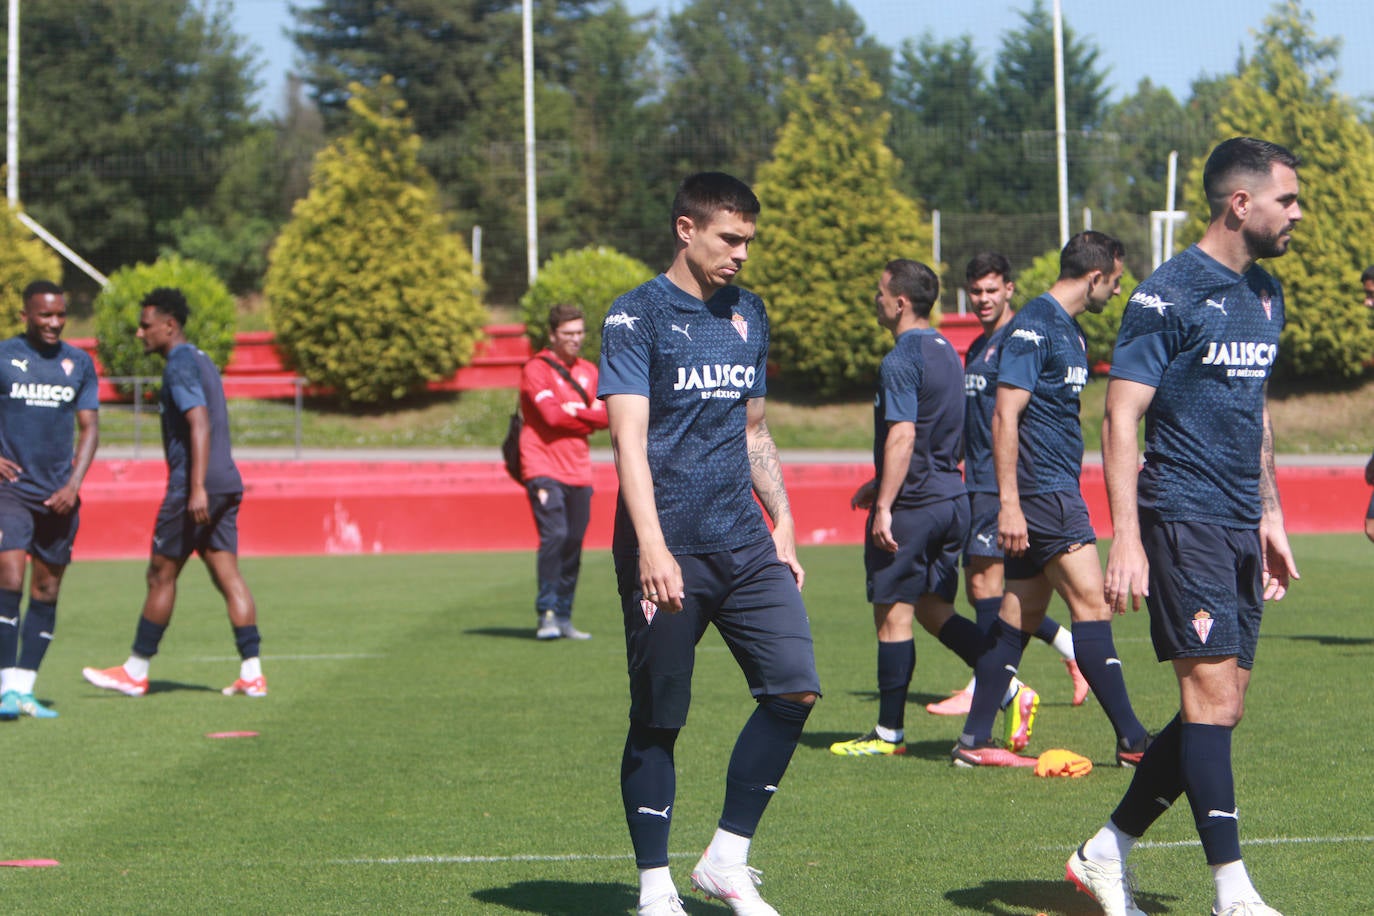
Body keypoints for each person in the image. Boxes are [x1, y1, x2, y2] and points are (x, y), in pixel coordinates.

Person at [1067, 137, 1302, 916]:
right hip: (1180, 514)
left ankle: (1106, 850)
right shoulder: (1165, 295)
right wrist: (1125, 537)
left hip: (1239, 518)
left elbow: (1253, 411)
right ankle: (1233, 894)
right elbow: (1119, 416)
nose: (1296, 214)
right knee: (1206, 694)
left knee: (1224, 702)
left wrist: (1270, 513)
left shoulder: (1266, 294)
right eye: (1287, 200)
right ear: (1242, 204)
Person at [599, 171, 820, 916]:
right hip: (667, 549)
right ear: (686, 230)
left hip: (743, 541)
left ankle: (727, 858)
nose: (743, 255)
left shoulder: (748, 313)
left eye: (749, 240)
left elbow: (753, 427)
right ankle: (655, 886)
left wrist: (781, 520)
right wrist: (653, 548)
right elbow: (627, 443)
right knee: (660, 718)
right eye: (731, 238)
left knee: (795, 685)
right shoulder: (636, 317)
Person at [950, 231, 1151, 768]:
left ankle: (973, 742)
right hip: (1043, 495)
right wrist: (1010, 503)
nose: (1118, 288)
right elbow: (1003, 414)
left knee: (1017, 616)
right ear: (1095, 276)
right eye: (1115, 279)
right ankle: (1133, 740)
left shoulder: (1069, 330)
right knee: (1092, 605)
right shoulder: (1034, 327)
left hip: (1048, 490)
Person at [828, 259, 1033, 758]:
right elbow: (943, 430)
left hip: (915, 507)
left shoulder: (901, 358)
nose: (876, 300)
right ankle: (1009, 688)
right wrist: (880, 482)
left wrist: (885, 505)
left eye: (880, 293)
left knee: (892, 617)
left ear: (900, 302)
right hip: (951, 500)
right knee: (933, 608)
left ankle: (888, 735)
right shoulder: (948, 351)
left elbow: (902, 434)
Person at [926, 253, 1090, 721]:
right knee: (994, 595)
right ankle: (1068, 651)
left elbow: (1012, 419)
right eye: (975, 291)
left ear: (1010, 289)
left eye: (991, 290)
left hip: (1006, 486)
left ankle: (992, 687)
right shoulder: (978, 347)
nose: (982, 299)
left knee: (990, 587)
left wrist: (1009, 496)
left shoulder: (1020, 340)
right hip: (975, 481)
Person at [82, 287, 265, 699]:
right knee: (226, 574)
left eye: (146, 326)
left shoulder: (180, 363)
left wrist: (195, 488)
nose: (139, 333)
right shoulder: (201, 358)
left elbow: (198, 422)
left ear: (170, 326)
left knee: (160, 574)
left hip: (195, 486)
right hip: (227, 482)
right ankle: (252, 673)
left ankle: (135, 670)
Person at [0, 281, 100, 719]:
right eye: (45, 315)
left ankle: (24, 688)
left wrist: (74, 484)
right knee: (10, 573)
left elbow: (90, 428)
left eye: (60, 314)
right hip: (10, 490)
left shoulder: (78, 363)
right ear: (26, 315)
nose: (55, 322)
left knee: (47, 588)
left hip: (59, 496)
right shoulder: (4, 356)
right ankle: (4, 687)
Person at [519, 303, 609, 640]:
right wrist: (583, 413)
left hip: (578, 470)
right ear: (552, 335)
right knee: (555, 535)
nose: (575, 339)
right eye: (567, 334)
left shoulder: (589, 370)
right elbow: (552, 418)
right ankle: (547, 613)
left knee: (573, 541)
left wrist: (576, 411)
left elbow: (607, 416)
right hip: (541, 464)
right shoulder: (536, 369)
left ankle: (566, 616)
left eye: (579, 333)